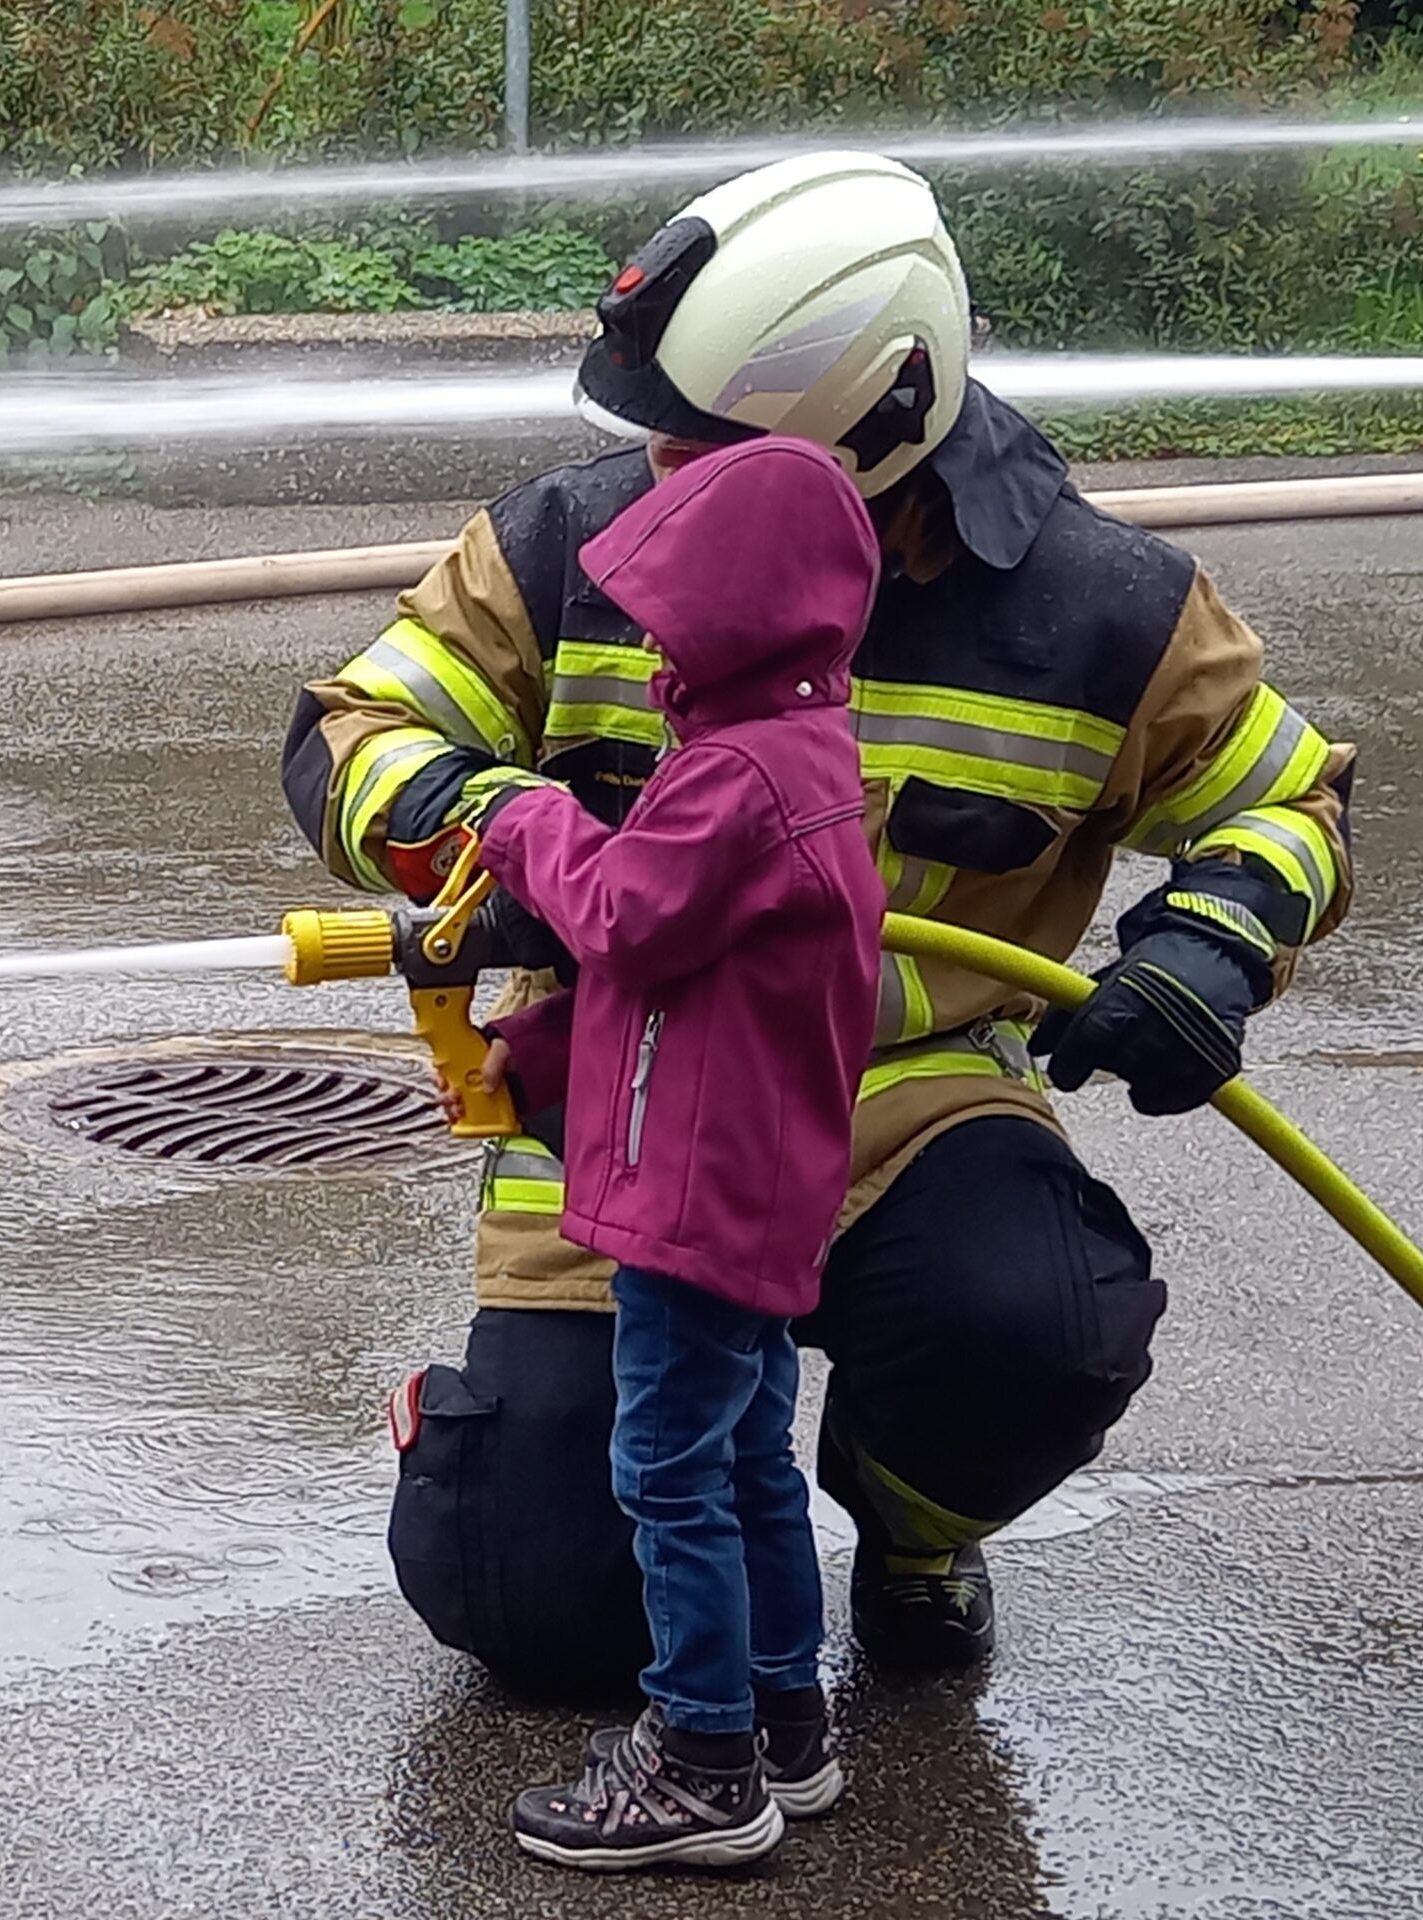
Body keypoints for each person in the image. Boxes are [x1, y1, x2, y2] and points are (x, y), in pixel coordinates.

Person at [289, 150, 1355, 1695]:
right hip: (630, 1104)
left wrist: (1214, 941)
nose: (651, 470)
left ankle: (914, 1528)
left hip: (901, 1095)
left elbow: (1292, 802)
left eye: (695, 444)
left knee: (1033, 1334)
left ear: (860, 429)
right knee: (542, 1609)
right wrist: (493, 841)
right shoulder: (562, 548)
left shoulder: (1103, 609)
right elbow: (351, 730)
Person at [447, 436, 885, 1870]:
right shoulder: (807, 756)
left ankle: (701, 1758)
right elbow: (694, 993)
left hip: (693, 1203)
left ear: (741, 627)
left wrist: (528, 819)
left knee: (667, 1469)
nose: (648, 658)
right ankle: (785, 1723)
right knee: (750, 1452)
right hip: (760, 1184)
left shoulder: (734, 783)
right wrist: (556, 1058)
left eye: (673, 629)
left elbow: (627, 914)